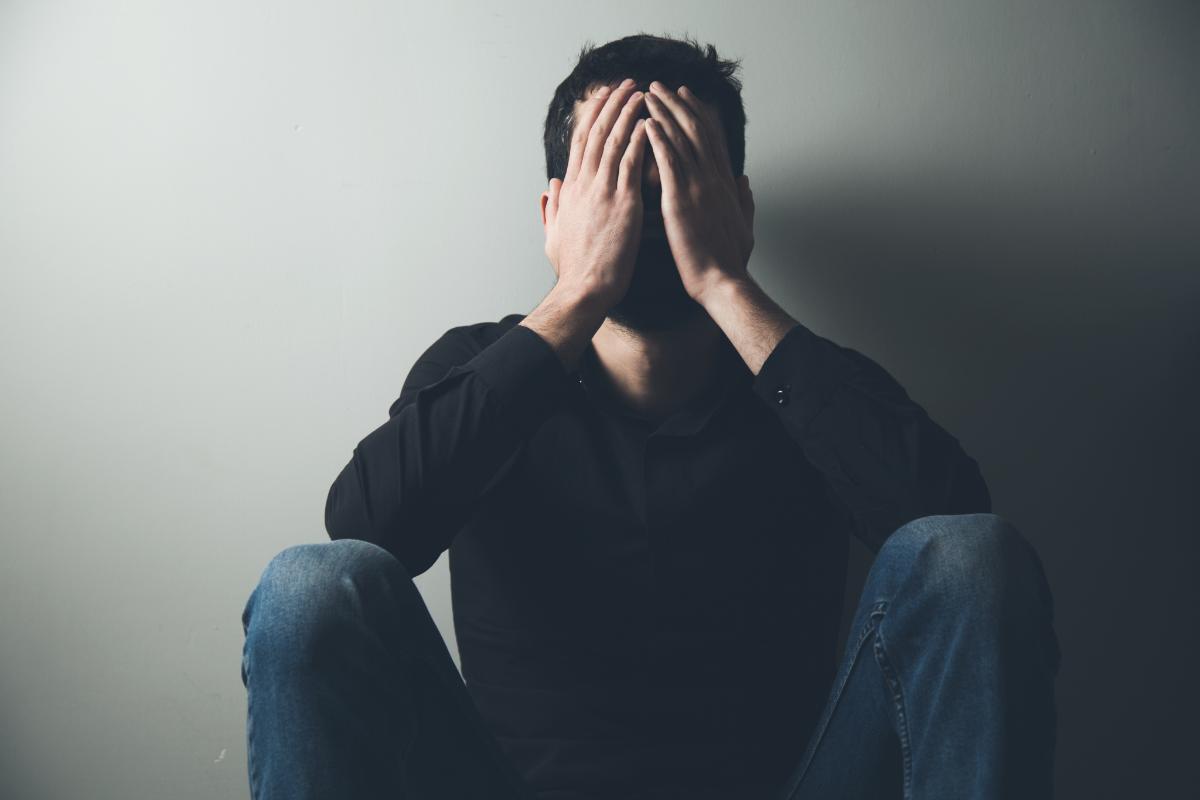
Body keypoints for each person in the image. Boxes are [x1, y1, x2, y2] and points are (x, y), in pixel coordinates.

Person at [240, 33, 1061, 800]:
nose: (645, 215)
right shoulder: (475, 369)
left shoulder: (813, 384)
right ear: (554, 214)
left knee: (967, 554)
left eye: (674, 178)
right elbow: (365, 531)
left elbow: (959, 551)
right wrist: (577, 293)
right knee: (309, 586)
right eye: (616, 181)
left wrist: (725, 285)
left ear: (736, 205)